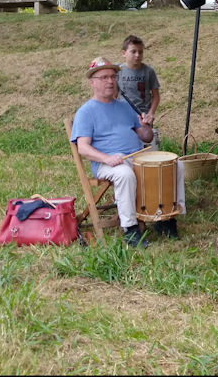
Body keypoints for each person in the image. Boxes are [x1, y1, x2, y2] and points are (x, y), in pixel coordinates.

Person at [70, 56, 155, 247]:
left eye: (113, 77)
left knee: (172, 165)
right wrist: (106, 158)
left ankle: (165, 218)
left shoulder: (125, 107)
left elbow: (147, 137)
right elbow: (83, 147)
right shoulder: (85, 112)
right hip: (107, 163)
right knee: (124, 174)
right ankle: (130, 229)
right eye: (104, 77)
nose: (110, 81)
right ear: (92, 83)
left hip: (136, 157)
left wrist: (146, 125)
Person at [116, 34, 177, 238]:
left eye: (140, 52)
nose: (137, 55)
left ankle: (157, 207)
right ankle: (129, 205)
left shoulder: (148, 71)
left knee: (153, 163)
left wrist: (150, 114)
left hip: (145, 123)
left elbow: (155, 96)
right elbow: (114, 98)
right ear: (124, 53)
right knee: (130, 166)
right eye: (133, 51)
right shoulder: (118, 72)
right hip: (126, 124)